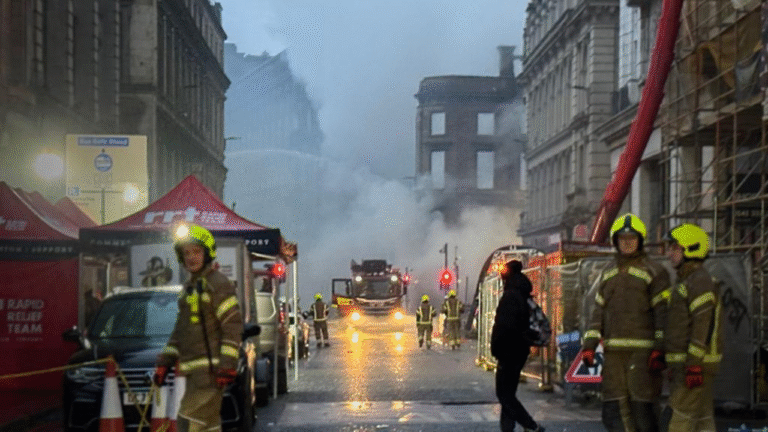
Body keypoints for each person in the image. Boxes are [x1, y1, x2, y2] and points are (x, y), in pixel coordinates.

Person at [580, 213, 670, 432]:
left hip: (643, 357)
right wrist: (589, 347)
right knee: (614, 411)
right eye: (623, 239)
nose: (627, 243)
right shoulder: (608, 273)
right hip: (614, 357)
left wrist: (659, 348)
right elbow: (597, 313)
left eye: (632, 239)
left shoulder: (655, 272)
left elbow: (663, 314)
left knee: (643, 411)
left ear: (640, 240)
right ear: (615, 242)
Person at [153, 224, 243, 432]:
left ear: (208, 253)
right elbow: (180, 332)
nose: (191, 257)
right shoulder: (188, 289)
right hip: (195, 373)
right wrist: (164, 362)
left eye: (196, 251)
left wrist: (227, 365)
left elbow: (232, 325)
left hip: (211, 372)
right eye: (186, 253)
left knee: (191, 421)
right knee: (204, 424)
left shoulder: (217, 284)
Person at [662, 223, 722, 432]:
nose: (669, 253)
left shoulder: (699, 281)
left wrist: (693, 364)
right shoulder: (690, 280)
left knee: (678, 421)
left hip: (696, 365)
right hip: (694, 364)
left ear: (690, 249)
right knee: (702, 420)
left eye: (674, 248)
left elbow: (702, 325)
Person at [490, 259, 544, 432]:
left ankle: (531, 426)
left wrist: (497, 347)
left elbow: (505, 326)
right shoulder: (521, 292)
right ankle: (507, 429)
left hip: (509, 351)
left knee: (504, 394)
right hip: (518, 350)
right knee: (508, 394)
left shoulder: (510, 296)